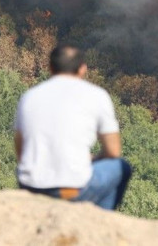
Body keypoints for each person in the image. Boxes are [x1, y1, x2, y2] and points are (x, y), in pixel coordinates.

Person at [14, 45, 132, 210]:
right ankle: (101, 218)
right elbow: (113, 151)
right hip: (69, 190)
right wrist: (91, 159)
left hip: (30, 186)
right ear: (82, 69)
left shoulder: (29, 97)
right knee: (121, 167)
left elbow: (21, 150)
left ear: (50, 67)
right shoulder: (97, 96)